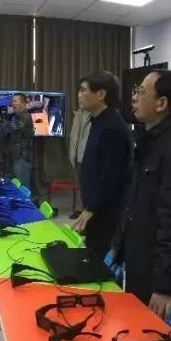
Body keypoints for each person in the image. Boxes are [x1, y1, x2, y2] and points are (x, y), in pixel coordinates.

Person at [108, 69, 171, 321]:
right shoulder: (149, 142)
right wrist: (119, 249)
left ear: (161, 104)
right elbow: (133, 203)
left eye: (141, 91)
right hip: (140, 263)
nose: (134, 97)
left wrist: (166, 286)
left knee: (160, 338)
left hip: (157, 277)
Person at [71, 71, 133, 258]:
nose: (79, 95)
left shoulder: (112, 127)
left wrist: (91, 208)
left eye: (83, 90)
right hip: (96, 208)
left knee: (100, 258)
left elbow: (110, 176)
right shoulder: (98, 121)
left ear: (101, 94)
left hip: (106, 212)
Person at [0, 93, 35, 193]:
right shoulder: (16, 117)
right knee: (13, 184)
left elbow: (15, 127)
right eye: (12, 101)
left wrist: (0, 120)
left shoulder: (26, 116)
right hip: (14, 154)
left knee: (22, 186)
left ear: (23, 103)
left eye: (15, 101)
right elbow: (8, 132)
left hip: (22, 156)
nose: (12, 103)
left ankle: (24, 203)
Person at [68, 107, 91, 219]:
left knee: (87, 185)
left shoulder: (93, 115)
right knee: (78, 185)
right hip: (76, 155)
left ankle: (87, 210)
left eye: (82, 98)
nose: (80, 99)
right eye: (79, 98)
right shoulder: (77, 114)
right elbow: (73, 136)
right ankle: (79, 209)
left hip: (87, 156)